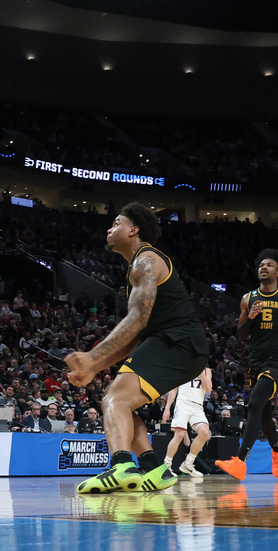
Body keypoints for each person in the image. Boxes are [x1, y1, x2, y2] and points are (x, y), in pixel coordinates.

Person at [64, 203, 209, 494]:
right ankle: (154, 468)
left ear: (133, 230)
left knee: (115, 399)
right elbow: (134, 337)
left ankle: (121, 466)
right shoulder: (138, 268)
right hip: (177, 343)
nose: (109, 228)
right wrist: (94, 366)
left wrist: (93, 356)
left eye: (116, 222)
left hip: (177, 340)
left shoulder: (146, 260)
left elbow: (137, 319)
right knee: (115, 401)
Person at [215, 249, 278, 481]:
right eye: (261, 265)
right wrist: (250, 318)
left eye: (269, 265)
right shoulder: (248, 298)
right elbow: (242, 334)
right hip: (255, 361)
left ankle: (239, 461)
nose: (263, 267)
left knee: (254, 403)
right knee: (264, 415)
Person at [162, 367, 212, 479]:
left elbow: (208, 388)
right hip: (183, 404)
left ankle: (188, 463)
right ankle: (166, 465)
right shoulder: (183, 367)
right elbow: (173, 389)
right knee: (179, 434)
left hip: (198, 406)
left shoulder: (206, 370)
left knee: (204, 432)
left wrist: (201, 373)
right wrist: (167, 408)